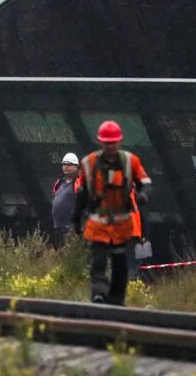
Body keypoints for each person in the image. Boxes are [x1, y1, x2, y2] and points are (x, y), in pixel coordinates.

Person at [73, 121, 150, 305]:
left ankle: (116, 301)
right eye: (107, 143)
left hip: (121, 227)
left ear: (119, 142)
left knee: (120, 264)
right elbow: (82, 194)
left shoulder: (131, 162)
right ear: (101, 143)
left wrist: (144, 195)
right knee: (98, 262)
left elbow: (145, 183)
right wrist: (76, 219)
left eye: (113, 143)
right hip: (98, 224)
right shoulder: (88, 163)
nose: (110, 147)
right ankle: (99, 294)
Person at [51, 152, 80, 244]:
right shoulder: (60, 182)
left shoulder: (78, 183)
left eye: (69, 164)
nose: (66, 167)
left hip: (70, 227)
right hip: (58, 226)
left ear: (76, 167)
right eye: (64, 164)